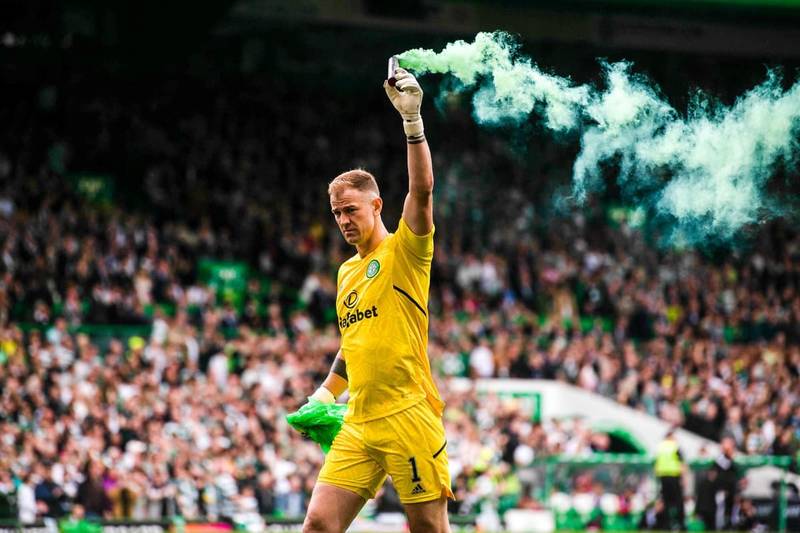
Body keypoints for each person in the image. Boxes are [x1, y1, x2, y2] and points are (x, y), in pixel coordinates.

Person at [302, 67, 452, 533]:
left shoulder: (406, 250)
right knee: (319, 525)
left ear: (376, 206)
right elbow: (356, 340)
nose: (343, 220)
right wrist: (325, 392)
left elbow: (423, 191)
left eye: (350, 210)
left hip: (408, 412)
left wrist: (412, 121)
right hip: (360, 420)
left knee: (429, 529)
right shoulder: (346, 272)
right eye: (336, 213)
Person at [654, 428, 685, 530]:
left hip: (663, 476)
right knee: (678, 501)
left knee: (666, 502)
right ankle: (680, 524)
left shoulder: (660, 447)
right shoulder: (674, 446)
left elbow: (656, 463)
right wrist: (683, 478)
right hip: (673, 476)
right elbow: (681, 463)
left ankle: (666, 525)